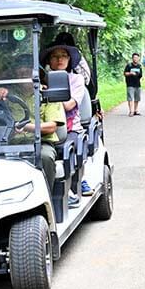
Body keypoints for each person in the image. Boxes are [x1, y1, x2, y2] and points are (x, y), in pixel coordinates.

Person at [0, 58, 66, 194]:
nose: (24, 77)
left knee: (45, 157)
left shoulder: (47, 94)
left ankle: (46, 197)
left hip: (41, 142)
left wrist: (26, 127)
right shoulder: (9, 96)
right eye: (20, 74)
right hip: (12, 143)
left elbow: (51, 126)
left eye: (28, 73)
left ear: (37, 75)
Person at [43, 43, 92, 201]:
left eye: (63, 56)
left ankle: (73, 185)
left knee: (70, 148)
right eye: (55, 56)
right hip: (46, 124)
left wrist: (47, 95)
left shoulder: (76, 79)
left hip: (70, 127)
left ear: (69, 59)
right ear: (49, 60)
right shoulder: (43, 79)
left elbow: (70, 104)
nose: (59, 59)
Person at [124, 52, 143, 116]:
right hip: (130, 84)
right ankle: (131, 111)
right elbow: (125, 73)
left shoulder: (139, 66)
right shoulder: (129, 65)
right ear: (132, 58)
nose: (135, 59)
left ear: (138, 59)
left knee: (137, 98)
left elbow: (141, 75)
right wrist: (130, 73)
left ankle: (135, 110)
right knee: (130, 98)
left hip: (137, 84)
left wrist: (138, 75)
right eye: (134, 57)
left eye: (137, 58)